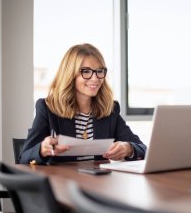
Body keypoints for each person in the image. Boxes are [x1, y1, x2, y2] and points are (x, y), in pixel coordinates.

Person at [19, 43, 147, 165]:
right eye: (86, 71)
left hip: (98, 183)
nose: (95, 78)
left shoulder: (110, 110)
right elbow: (24, 157)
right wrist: (42, 149)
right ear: (70, 74)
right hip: (63, 184)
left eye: (99, 71)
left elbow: (143, 149)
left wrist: (128, 148)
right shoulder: (47, 108)